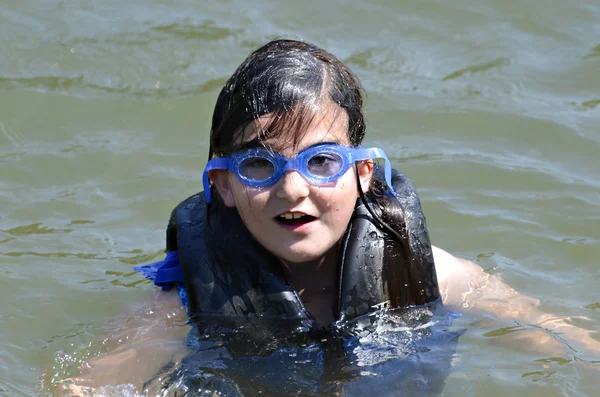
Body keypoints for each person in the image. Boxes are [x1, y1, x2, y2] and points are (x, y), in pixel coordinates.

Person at [59, 39, 599, 396]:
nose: (292, 188)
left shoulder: (435, 277)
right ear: (222, 186)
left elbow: (561, 341)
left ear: (363, 172)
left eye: (321, 161)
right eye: (258, 164)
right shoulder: (183, 307)